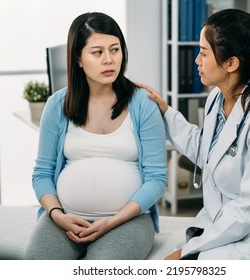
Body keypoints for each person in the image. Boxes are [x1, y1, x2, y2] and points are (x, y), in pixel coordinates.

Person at [137, 9, 250, 260]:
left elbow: (249, 210)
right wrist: (165, 111)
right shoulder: (218, 98)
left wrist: (187, 250)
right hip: (228, 224)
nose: (196, 61)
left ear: (231, 63)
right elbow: (206, 149)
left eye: (203, 53)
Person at [25, 12, 168, 260]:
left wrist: (113, 221)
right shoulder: (57, 104)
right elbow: (42, 173)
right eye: (97, 52)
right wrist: (58, 215)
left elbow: (157, 178)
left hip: (128, 221)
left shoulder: (143, 103)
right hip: (64, 219)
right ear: (78, 59)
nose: (109, 60)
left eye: (115, 50)